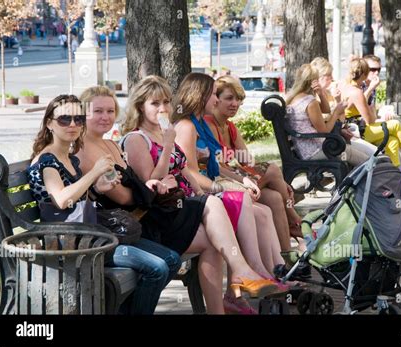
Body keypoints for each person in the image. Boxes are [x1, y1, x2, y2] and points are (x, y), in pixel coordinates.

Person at [78, 85, 281, 314]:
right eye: (98, 111)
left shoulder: (111, 144)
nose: (105, 117)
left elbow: (149, 182)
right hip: (136, 224)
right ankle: (244, 269)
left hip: (151, 212)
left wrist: (155, 185)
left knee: (214, 236)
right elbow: (126, 196)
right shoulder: (106, 145)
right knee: (213, 204)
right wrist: (155, 184)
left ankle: (227, 300)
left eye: (109, 110)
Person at [27, 94, 182, 315]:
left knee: (171, 259)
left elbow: (80, 199)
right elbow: (61, 200)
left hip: (90, 234)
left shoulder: (68, 158)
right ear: (50, 123)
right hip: (70, 243)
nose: (72, 124)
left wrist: (99, 188)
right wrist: (94, 173)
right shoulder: (47, 160)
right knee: (156, 268)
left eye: (78, 119)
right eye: (64, 119)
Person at [171, 73, 289, 281]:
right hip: (198, 197)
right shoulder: (187, 126)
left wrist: (241, 179)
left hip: (212, 188)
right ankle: (258, 272)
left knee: (264, 212)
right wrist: (226, 188)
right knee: (256, 208)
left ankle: (277, 272)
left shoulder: (200, 125)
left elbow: (219, 164)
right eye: (214, 94)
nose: (216, 100)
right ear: (200, 96)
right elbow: (190, 173)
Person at [205, 75, 305, 245]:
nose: (235, 104)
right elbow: (217, 166)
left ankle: (285, 257)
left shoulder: (230, 127)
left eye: (238, 99)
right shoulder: (209, 124)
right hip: (219, 181)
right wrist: (274, 177)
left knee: (274, 197)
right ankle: (295, 219)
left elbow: (247, 162)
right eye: (229, 98)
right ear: (216, 100)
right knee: (272, 169)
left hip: (235, 179)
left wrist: (278, 182)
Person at [285, 64, 369, 167]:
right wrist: (336, 113)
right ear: (313, 81)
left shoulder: (297, 97)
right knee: (365, 160)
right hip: (315, 151)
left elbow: (326, 110)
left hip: (308, 150)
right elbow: (324, 131)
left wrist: (320, 93)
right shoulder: (310, 102)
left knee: (353, 151)